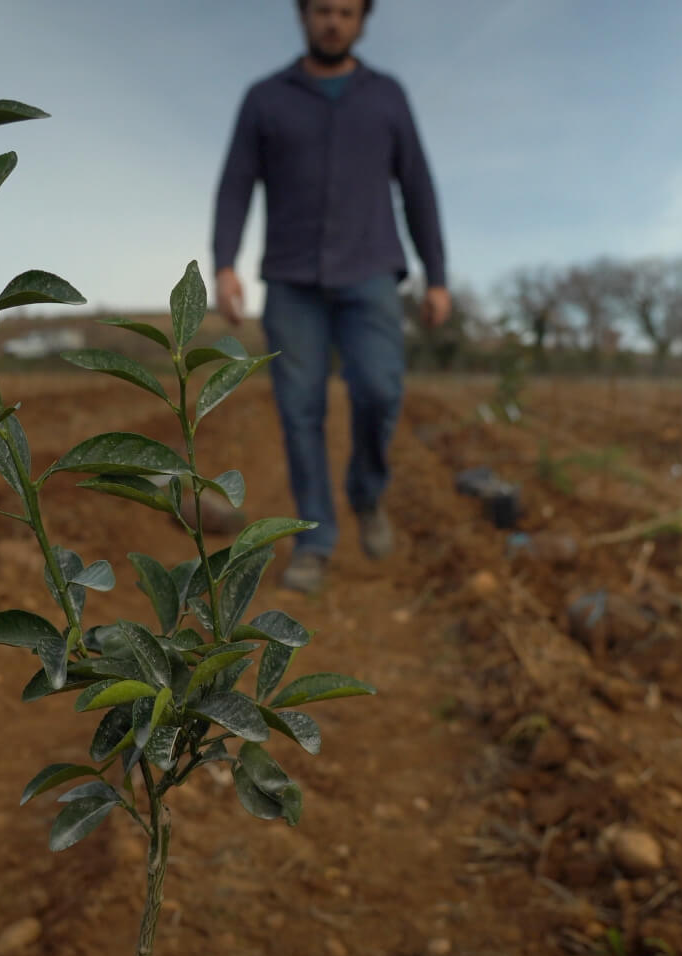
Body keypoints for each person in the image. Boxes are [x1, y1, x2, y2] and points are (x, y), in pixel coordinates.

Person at [211, 0, 450, 593]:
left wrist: (437, 274)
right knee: (300, 413)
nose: (333, 22)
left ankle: (367, 493)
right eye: (323, 9)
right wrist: (224, 262)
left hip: (371, 271)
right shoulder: (266, 98)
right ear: (304, 16)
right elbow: (235, 183)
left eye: (346, 11)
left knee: (380, 389)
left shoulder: (386, 96)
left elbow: (418, 186)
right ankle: (314, 541)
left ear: (362, 20)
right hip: (291, 280)